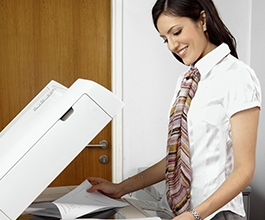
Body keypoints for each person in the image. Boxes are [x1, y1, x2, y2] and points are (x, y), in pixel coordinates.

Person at [87, 0, 261, 219]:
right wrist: (120, 188)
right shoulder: (186, 81)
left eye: (176, 32)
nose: (172, 46)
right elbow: (176, 159)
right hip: (182, 213)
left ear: (203, 20)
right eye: (165, 39)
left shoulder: (237, 76)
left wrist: (196, 215)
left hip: (216, 214)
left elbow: (244, 170)